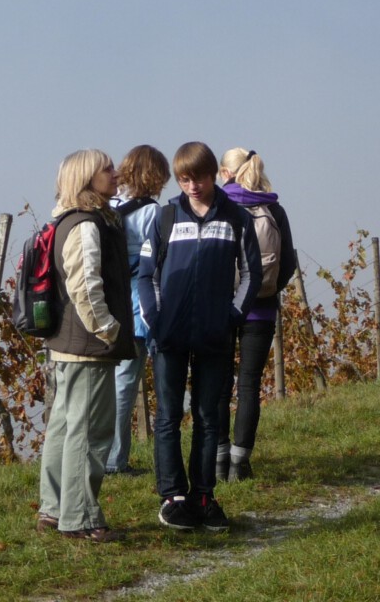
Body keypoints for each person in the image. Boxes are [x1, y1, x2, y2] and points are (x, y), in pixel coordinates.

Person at [138, 141, 262, 533]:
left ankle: (204, 496)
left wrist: (231, 316)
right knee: (169, 417)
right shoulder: (165, 217)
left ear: (214, 175)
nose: (192, 186)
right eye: (184, 179)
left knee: (210, 418)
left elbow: (252, 274)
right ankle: (173, 497)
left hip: (215, 335)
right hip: (170, 337)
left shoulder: (237, 219)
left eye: (199, 178)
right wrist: (156, 321)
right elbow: (146, 275)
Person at [37, 149, 136, 543]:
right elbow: (84, 285)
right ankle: (79, 517)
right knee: (90, 431)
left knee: (63, 426)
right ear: (87, 179)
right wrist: (107, 330)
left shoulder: (70, 220)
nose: (115, 175)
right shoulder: (84, 224)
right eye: (106, 170)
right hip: (88, 345)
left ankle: (54, 507)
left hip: (70, 344)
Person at [215, 147, 298, 482]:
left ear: (225, 173)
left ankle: (218, 461)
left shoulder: (218, 208)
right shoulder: (273, 208)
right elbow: (288, 263)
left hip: (220, 309)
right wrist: (268, 289)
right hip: (260, 310)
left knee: (220, 383)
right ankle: (241, 462)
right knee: (249, 384)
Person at [105, 144, 170, 476]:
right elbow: (159, 263)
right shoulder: (153, 213)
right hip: (136, 309)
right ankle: (116, 460)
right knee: (124, 385)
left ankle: (97, 453)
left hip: (103, 307)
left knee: (102, 385)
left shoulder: (106, 204)